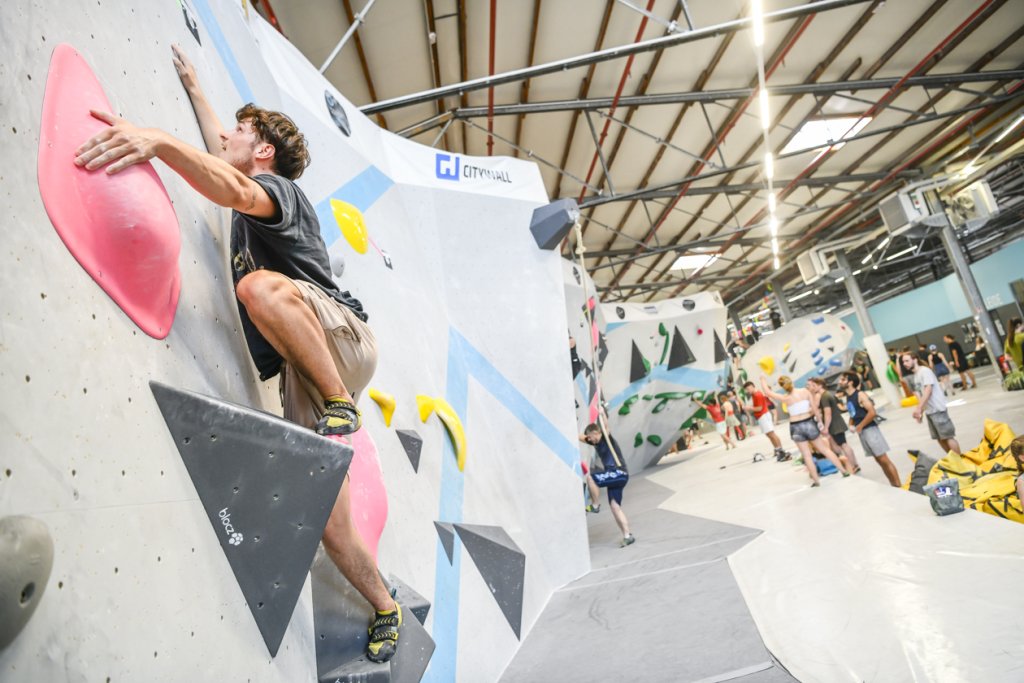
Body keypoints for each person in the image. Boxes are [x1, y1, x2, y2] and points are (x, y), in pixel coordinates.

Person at [74, 45, 402, 662]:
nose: (226, 134)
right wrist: (196, 86)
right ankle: (386, 607)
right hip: (311, 370)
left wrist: (159, 142)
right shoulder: (247, 171)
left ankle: (341, 406)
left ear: (264, 154)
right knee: (329, 522)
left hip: (341, 337)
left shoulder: (279, 191)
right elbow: (218, 152)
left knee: (257, 287)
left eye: (241, 131)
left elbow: (224, 177)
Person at [758, 375, 851, 486]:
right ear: (791, 382)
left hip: (795, 426)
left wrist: (762, 380)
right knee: (825, 450)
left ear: (783, 386)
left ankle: (816, 481)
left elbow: (767, 393)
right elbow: (815, 409)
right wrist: (820, 422)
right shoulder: (805, 392)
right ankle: (843, 471)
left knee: (807, 455)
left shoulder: (785, 398)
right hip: (809, 422)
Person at [837, 372, 901, 486]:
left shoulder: (860, 394)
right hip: (863, 432)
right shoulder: (848, 397)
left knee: (884, 459)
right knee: (878, 460)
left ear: (850, 382)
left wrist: (860, 426)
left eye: (843, 379)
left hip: (870, 430)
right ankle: (893, 485)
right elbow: (853, 413)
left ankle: (898, 485)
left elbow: (872, 412)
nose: (840, 382)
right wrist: (851, 423)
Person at [580, 423, 635, 547]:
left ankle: (595, 505)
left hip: (619, 472)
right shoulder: (595, 442)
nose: (589, 439)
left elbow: (605, 427)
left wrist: (601, 413)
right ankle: (628, 536)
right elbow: (581, 437)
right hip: (614, 477)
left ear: (595, 433)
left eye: (590, 436)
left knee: (591, 478)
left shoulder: (606, 438)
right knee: (615, 507)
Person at [901, 352, 961, 456]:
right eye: (903, 362)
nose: (904, 364)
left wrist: (919, 408)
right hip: (930, 411)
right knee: (939, 439)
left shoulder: (925, 371)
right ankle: (953, 460)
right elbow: (922, 395)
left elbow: (928, 390)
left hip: (938, 409)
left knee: (947, 437)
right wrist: (921, 411)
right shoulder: (916, 375)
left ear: (915, 359)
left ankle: (960, 461)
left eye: (907, 360)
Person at [807, 377, 860, 474]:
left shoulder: (825, 396)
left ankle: (854, 465)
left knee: (844, 445)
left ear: (820, 385)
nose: (812, 388)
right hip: (835, 424)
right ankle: (853, 465)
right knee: (842, 445)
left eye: (814, 385)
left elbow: (828, 413)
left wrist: (826, 427)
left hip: (835, 425)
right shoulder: (824, 395)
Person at [742, 380, 788, 461]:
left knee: (772, 434)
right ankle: (777, 449)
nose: (748, 391)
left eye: (748, 388)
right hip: (761, 416)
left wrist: (748, 408)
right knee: (769, 435)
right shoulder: (754, 394)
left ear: (753, 386)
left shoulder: (757, 395)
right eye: (746, 389)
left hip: (763, 415)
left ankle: (781, 450)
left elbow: (759, 408)